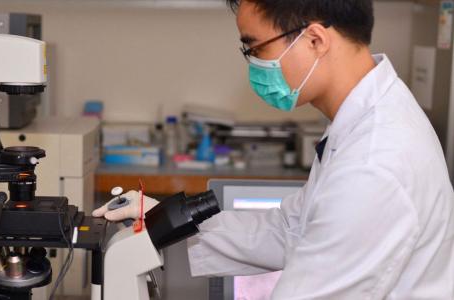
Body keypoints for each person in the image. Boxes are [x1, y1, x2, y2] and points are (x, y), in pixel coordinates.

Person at [93, 0, 454, 298]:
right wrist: (169, 221)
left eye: (255, 47)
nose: (253, 62)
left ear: (315, 40)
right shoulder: (364, 118)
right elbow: (291, 229)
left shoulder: (375, 163)